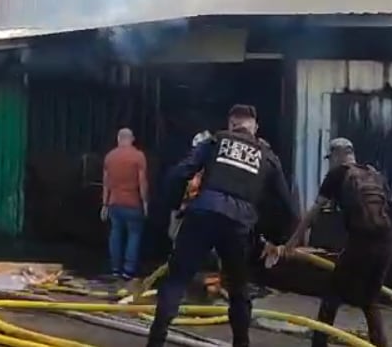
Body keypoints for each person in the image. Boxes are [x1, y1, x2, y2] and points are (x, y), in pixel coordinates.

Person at [146, 104, 297, 347]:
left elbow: (178, 173)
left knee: (176, 280)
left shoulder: (216, 141)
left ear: (231, 124)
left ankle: (155, 342)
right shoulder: (268, 156)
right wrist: (275, 239)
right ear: (255, 128)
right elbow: (287, 206)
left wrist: (176, 204)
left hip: (203, 213)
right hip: (239, 224)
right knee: (238, 290)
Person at [285, 138, 392, 347]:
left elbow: (314, 213)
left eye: (331, 158)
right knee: (370, 302)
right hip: (387, 243)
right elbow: (387, 208)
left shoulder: (337, 174)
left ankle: (319, 344)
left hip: (361, 243)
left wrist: (294, 240)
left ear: (337, 155)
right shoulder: (375, 174)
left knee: (331, 296)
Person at [101, 127, 149, 279]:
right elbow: (142, 182)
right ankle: (128, 271)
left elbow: (106, 183)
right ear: (132, 139)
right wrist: (145, 202)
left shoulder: (109, 157)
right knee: (134, 235)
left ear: (118, 139)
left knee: (115, 234)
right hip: (133, 203)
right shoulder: (138, 156)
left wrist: (105, 205)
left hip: (114, 202)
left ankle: (115, 268)